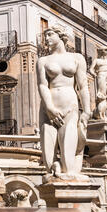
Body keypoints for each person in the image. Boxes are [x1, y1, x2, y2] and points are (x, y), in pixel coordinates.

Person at [36, 24, 91, 181]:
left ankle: (68, 173)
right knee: (48, 151)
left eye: (50, 34)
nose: (46, 38)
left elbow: (83, 86)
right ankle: (54, 172)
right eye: (45, 35)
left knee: (68, 151)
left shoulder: (76, 58)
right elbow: (42, 85)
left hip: (70, 105)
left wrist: (87, 110)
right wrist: (49, 108)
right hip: (49, 107)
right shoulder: (43, 61)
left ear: (60, 36)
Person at [89, 48, 107, 120]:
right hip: (101, 78)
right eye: (106, 50)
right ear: (102, 51)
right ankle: (101, 115)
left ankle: (97, 112)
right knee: (102, 98)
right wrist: (93, 73)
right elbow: (91, 69)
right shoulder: (97, 60)